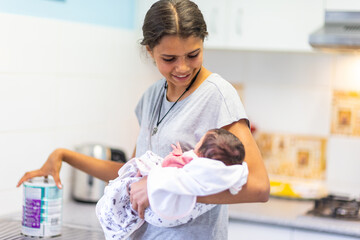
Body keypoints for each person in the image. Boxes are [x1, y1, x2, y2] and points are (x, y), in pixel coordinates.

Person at [17, 0, 270, 239]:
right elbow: (132, 176)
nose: (182, 68)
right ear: (149, 50)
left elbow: (258, 187)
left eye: (193, 55)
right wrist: (64, 155)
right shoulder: (151, 96)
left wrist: (164, 186)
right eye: (169, 59)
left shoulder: (217, 95)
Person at [96, 128, 249, 240]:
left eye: (200, 142)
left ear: (202, 153)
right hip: (170, 216)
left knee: (146, 163)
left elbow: (170, 166)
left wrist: (175, 156)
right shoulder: (221, 177)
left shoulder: (195, 162)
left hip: (156, 207)